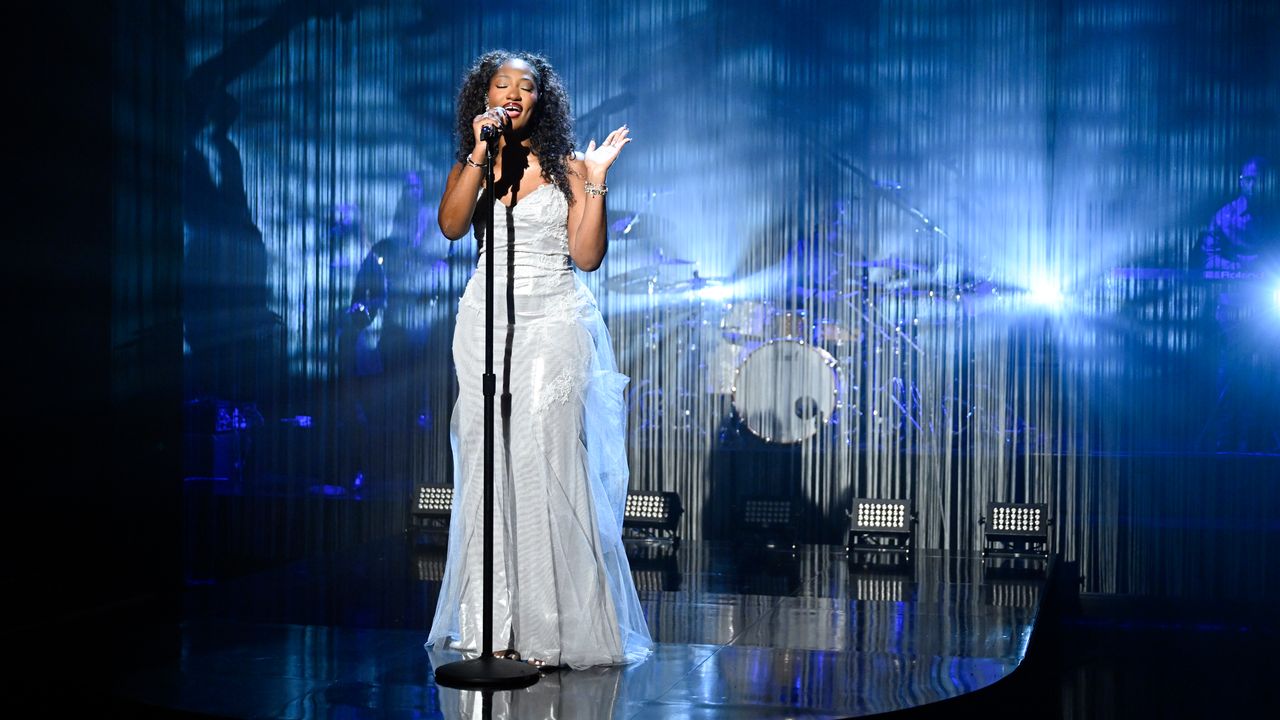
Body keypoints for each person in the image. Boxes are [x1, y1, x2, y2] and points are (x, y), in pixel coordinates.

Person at [426, 50, 652, 669]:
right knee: (488, 460)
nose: (513, 94)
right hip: (484, 319)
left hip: (552, 319)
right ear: (484, 97)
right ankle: (492, 625)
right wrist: (479, 153)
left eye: (525, 87)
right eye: (501, 84)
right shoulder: (475, 162)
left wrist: (597, 178)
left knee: (542, 457)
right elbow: (451, 226)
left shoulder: (569, 168)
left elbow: (587, 257)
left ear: (539, 101)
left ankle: (551, 628)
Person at [1199, 155, 1278, 452]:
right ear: (1241, 181)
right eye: (1249, 179)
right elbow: (1209, 260)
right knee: (1231, 376)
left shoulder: (1274, 216)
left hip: (1267, 310)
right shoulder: (1224, 217)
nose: (1254, 185)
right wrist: (1243, 269)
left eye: (1259, 180)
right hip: (1233, 308)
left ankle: (1261, 442)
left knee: (1267, 377)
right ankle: (1226, 444)